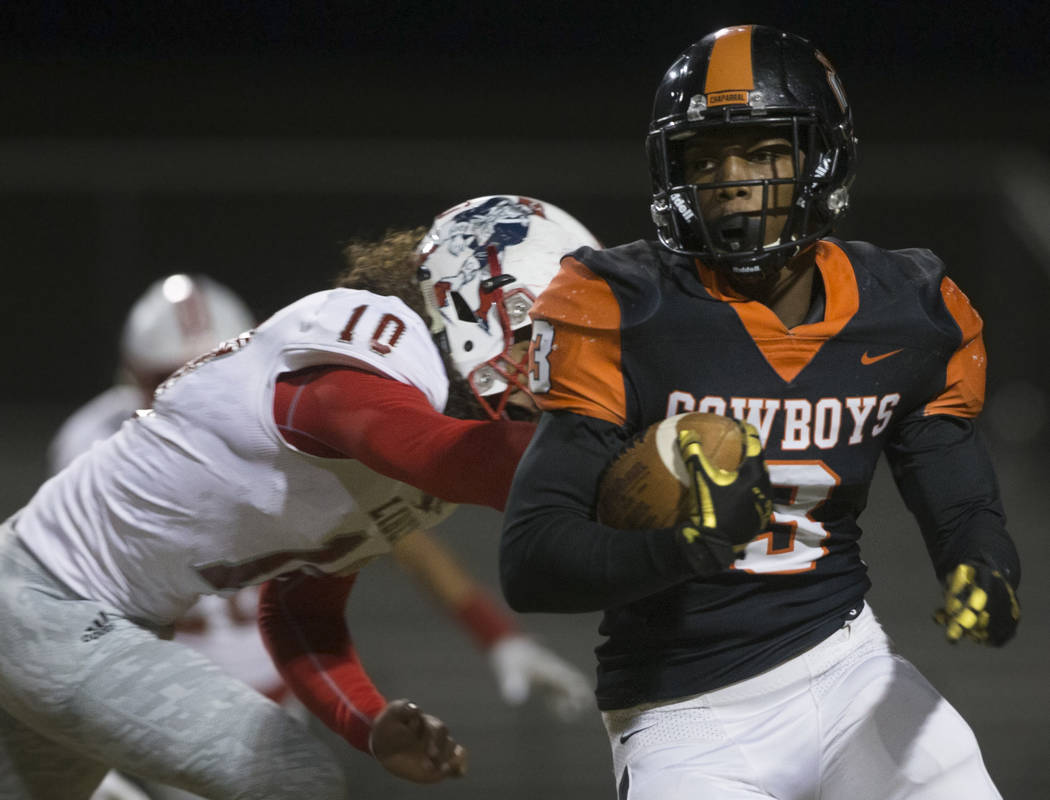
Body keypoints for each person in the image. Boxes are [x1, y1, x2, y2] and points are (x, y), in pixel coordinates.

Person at [501, 25, 1020, 800]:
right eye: (704, 158)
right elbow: (531, 559)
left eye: (763, 150)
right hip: (685, 709)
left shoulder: (909, 310)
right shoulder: (622, 306)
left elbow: (959, 499)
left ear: (823, 158)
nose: (731, 179)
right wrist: (687, 547)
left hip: (847, 669)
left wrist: (988, 573)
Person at [0, 194, 599, 800]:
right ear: (471, 304)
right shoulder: (371, 356)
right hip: (50, 605)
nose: (555, 362)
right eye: (538, 333)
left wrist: (367, 722)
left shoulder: (429, 440)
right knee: (292, 778)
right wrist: (627, 455)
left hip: (79, 618)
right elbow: (429, 449)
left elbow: (298, 609)